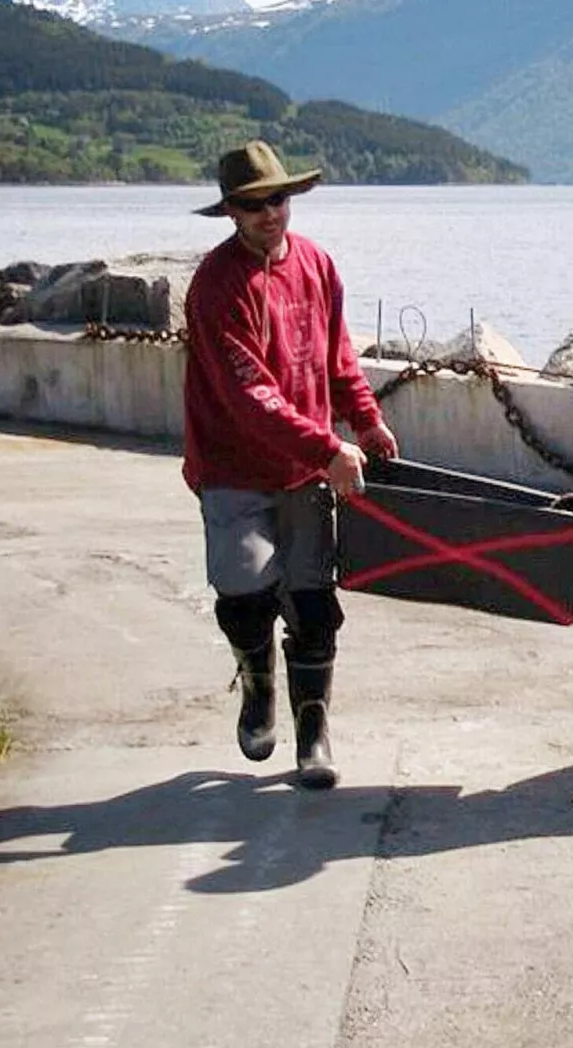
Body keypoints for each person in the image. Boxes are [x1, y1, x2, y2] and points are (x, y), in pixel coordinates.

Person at [183, 139, 399, 790]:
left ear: (290, 198)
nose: (267, 213)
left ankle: (313, 732)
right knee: (244, 590)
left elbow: (337, 356)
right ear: (231, 213)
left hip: (306, 473)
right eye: (251, 205)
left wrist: (364, 419)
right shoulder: (216, 285)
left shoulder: (318, 265)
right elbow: (251, 395)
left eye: (275, 199)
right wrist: (329, 448)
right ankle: (256, 685)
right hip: (232, 466)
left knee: (313, 601)